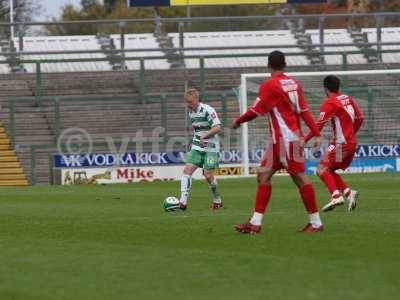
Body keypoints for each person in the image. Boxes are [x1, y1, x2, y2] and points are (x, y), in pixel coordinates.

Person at [232, 50, 323, 234]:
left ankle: (316, 223)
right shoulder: (294, 84)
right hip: (281, 141)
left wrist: (238, 121)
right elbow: (304, 111)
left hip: (286, 140)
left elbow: (255, 111)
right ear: (285, 65)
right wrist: (316, 133)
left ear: (268, 65)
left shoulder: (270, 85)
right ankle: (255, 224)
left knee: (299, 178)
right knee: (262, 176)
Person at [305, 75, 364, 212]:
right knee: (329, 170)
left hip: (340, 144)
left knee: (321, 169)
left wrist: (305, 140)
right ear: (338, 87)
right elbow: (360, 118)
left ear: (325, 89)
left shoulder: (330, 102)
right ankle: (349, 193)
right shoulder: (347, 98)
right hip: (351, 143)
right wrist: (351, 133)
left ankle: (336, 196)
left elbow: (318, 125)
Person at [177, 88, 223, 210]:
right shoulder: (191, 112)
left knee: (208, 176)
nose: (188, 104)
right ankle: (183, 201)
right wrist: (196, 140)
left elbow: (217, 127)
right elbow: (198, 130)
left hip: (211, 148)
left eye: (190, 102)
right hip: (197, 146)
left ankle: (217, 198)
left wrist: (205, 136)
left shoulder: (208, 110)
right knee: (187, 171)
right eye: (187, 102)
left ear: (197, 99)